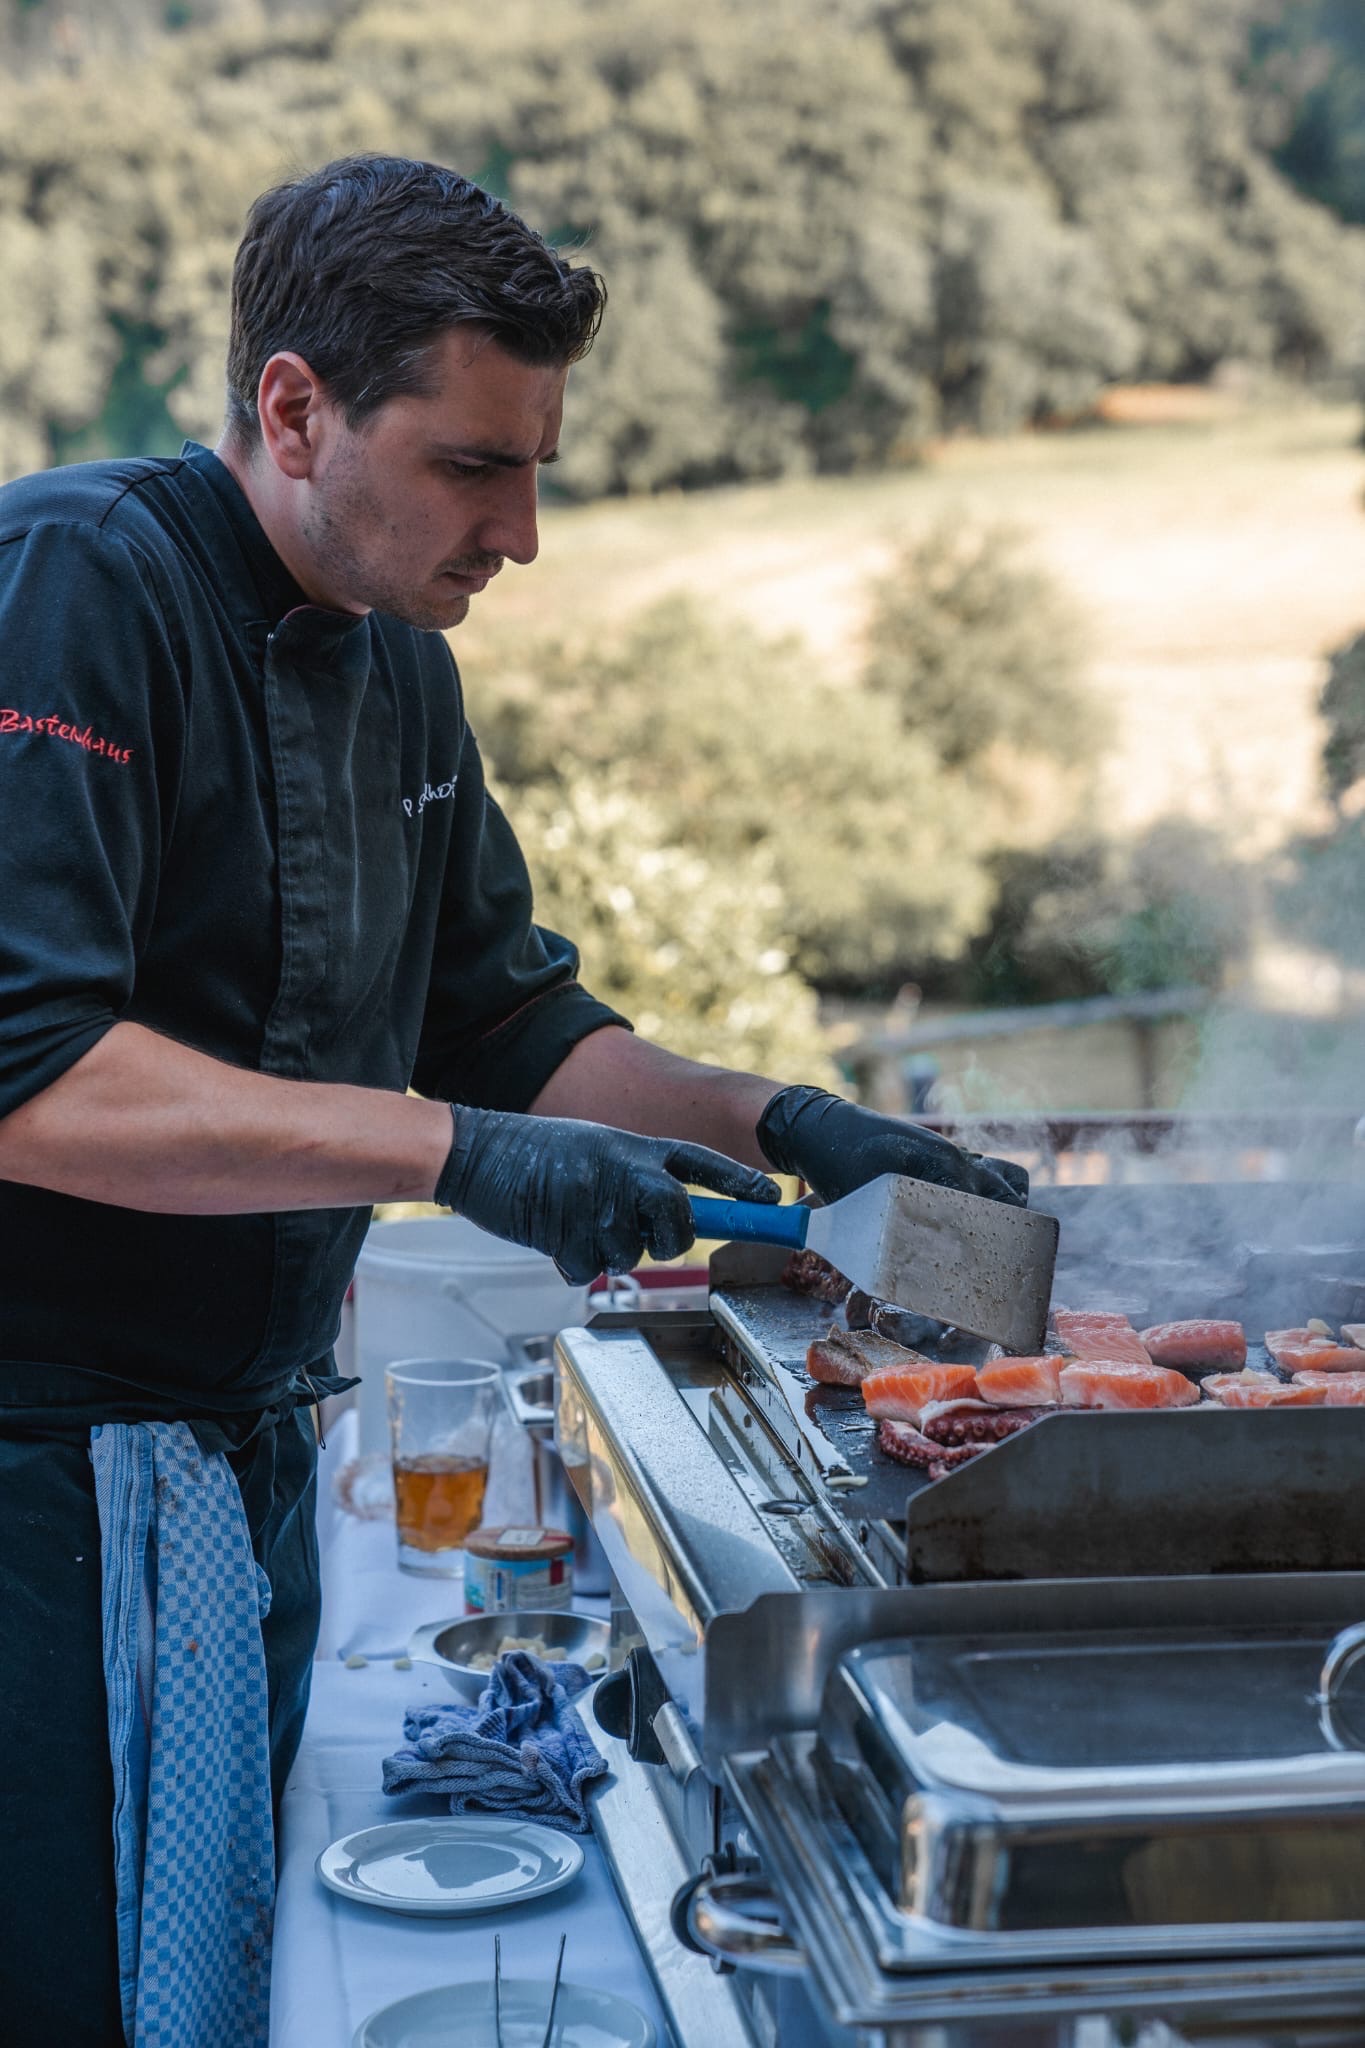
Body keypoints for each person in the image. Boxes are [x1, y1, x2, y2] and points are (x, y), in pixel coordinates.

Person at [0, 154, 1025, 2044]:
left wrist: (780, 1121)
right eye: (476, 465)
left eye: (537, 466)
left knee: (198, 1966)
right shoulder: (76, 584)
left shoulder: (399, 661)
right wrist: (463, 1159)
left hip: (249, 1453)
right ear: (293, 410)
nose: (524, 533)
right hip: (42, 1486)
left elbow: (505, 1023)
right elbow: (34, 1078)